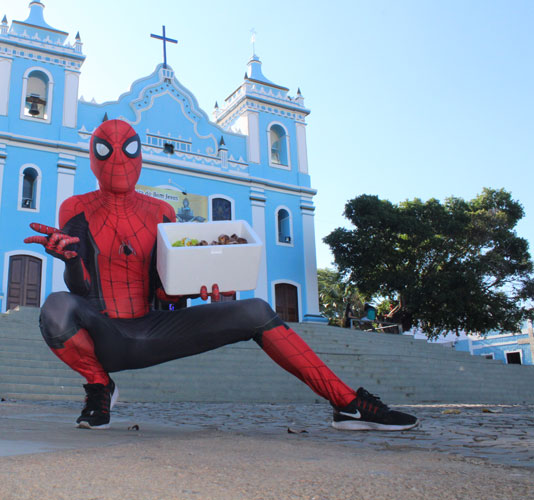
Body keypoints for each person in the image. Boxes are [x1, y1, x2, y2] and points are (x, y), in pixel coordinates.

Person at [26, 119, 418, 432]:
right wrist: (69, 259)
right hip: (104, 333)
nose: (118, 161)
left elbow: (165, 291)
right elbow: (81, 290)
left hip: (155, 328)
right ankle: (99, 387)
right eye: (105, 151)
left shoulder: (161, 211)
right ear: (93, 157)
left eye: (128, 150)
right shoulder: (75, 207)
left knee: (256, 309)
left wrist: (200, 284)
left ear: (140, 156)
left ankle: (347, 403)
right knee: (57, 306)